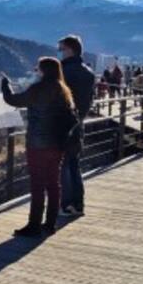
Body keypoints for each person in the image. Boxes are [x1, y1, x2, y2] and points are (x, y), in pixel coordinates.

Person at [2, 57, 79, 238]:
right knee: (53, 184)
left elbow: (12, 100)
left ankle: (33, 225)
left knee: (37, 185)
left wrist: (5, 84)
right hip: (57, 144)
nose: (36, 71)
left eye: (38, 69)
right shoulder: (64, 90)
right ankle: (50, 224)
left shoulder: (37, 89)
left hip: (37, 144)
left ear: (43, 71)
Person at [57, 34, 95, 216]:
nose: (60, 53)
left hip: (62, 125)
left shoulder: (62, 73)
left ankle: (66, 205)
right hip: (79, 124)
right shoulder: (89, 73)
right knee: (74, 165)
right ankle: (78, 204)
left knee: (64, 165)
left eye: (61, 49)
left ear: (70, 49)